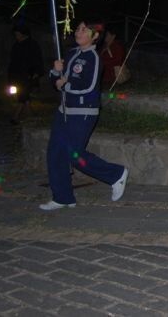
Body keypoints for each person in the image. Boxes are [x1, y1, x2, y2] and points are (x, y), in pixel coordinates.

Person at [39, 19, 129, 211]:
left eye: (83, 30)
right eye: (78, 29)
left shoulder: (94, 58)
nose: (78, 32)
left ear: (94, 36)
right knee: (55, 153)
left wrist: (66, 84)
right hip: (64, 110)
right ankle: (62, 197)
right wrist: (55, 72)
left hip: (82, 112)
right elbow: (57, 81)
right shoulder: (71, 54)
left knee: (75, 154)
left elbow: (88, 86)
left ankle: (115, 174)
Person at [8, 24, 43, 125]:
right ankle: (31, 115)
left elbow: (37, 59)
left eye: (18, 34)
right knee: (24, 95)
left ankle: (15, 117)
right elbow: (13, 61)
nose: (16, 36)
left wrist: (37, 72)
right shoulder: (16, 45)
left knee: (23, 94)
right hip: (17, 75)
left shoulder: (32, 45)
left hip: (28, 74)